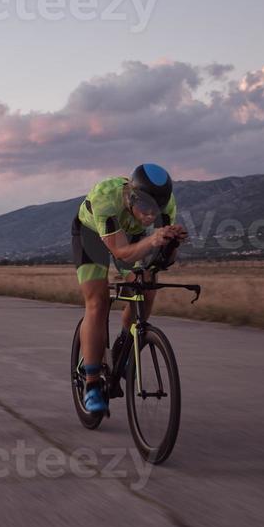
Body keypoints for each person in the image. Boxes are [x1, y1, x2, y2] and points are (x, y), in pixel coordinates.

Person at [71, 164, 186, 414]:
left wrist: (171, 244)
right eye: (145, 208)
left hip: (132, 237)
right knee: (98, 302)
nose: (150, 216)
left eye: (156, 211)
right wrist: (153, 239)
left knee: (147, 286)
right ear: (131, 197)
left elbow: (164, 261)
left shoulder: (167, 205)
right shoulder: (106, 198)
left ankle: (125, 347)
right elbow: (120, 252)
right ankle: (91, 384)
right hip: (91, 236)